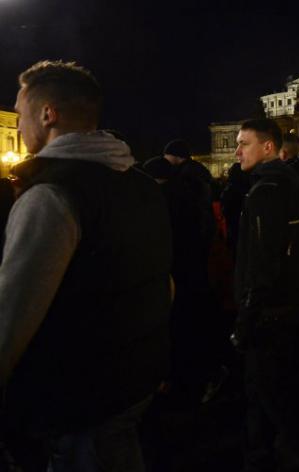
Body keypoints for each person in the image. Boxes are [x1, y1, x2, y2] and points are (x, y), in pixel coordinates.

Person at [1, 60, 172, 470]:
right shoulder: (143, 186)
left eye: (20, 115)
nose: (19, 128)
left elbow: (10, 318)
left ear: (47, 114)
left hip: (76, 398)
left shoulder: (52, 195)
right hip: (135, 381)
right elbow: (164, 285)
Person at [231, 118, 299, 471]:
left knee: (271, 394)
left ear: (269, 148)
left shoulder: (266, 191)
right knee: (265, 393)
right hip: (286, 303)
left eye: (244, 143)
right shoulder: (287, 184)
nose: (236, 151)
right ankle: (263, 454)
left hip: (267, 310)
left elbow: (262, 262)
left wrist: (246, 316)